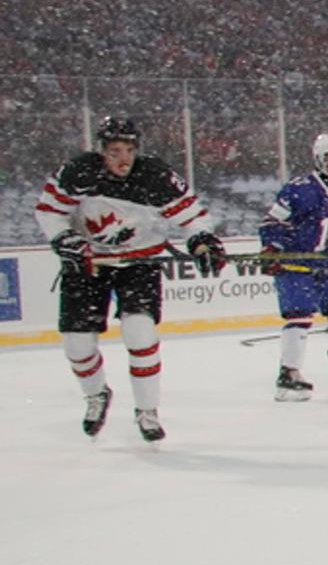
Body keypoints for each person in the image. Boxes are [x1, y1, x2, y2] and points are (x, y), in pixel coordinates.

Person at [35, 116, 225, 443]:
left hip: (140, 261)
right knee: (77, 344)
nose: (123, 159)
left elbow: (194, 217)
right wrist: (64, 238)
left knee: (140, 332)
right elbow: (49, 212)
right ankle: (96, 396)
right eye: (114, 151)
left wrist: (203, 241)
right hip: (89, 263)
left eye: (129, 150)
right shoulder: (78, 172)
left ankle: (147, 410)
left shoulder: (155, 175)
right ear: (101, 151)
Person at [259, 132, 328, 401]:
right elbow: (273, 222)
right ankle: (289, 374)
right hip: (297, 263)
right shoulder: (301, 187)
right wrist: (272, 248)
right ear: (319, 159)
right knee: (299, 316)